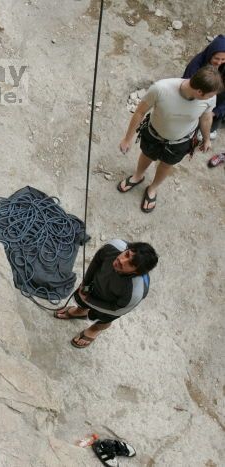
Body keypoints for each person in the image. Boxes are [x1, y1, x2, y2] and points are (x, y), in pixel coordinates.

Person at [117, 65, 224, 213]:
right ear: (199, 92)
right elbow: (140, 112)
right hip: (153, 134)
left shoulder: (210, 97)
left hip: (180, 142)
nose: (212, 98)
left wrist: (206, 139)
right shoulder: (160, 89)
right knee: (146, 155)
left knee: (166, 165)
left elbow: (206, 118)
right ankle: (138, 176)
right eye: (209, 95)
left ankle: (153, 188)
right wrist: (127, 139)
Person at [53, 239, 158, 348]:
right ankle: (81, 311)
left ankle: (95, 329)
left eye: (130, 264)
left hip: (110, 304)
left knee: (104, 318)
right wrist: (86, 283)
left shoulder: (136, 292)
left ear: (136, 272)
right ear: (127, 249)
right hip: (96, 285)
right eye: (127, 254)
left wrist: (89, 300)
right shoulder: (113, 247)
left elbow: (116, 310)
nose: (122, 261)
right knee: (80, 297)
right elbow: (96, 261)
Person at [183, 35, 225, 140]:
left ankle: (211, 126)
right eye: (216, 58)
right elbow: (187, 87)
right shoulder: (195, 66)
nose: (219, 63)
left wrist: (216, 112)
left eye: (223, 59)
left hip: (218, 98)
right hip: (198, 95)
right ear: (210, 55)